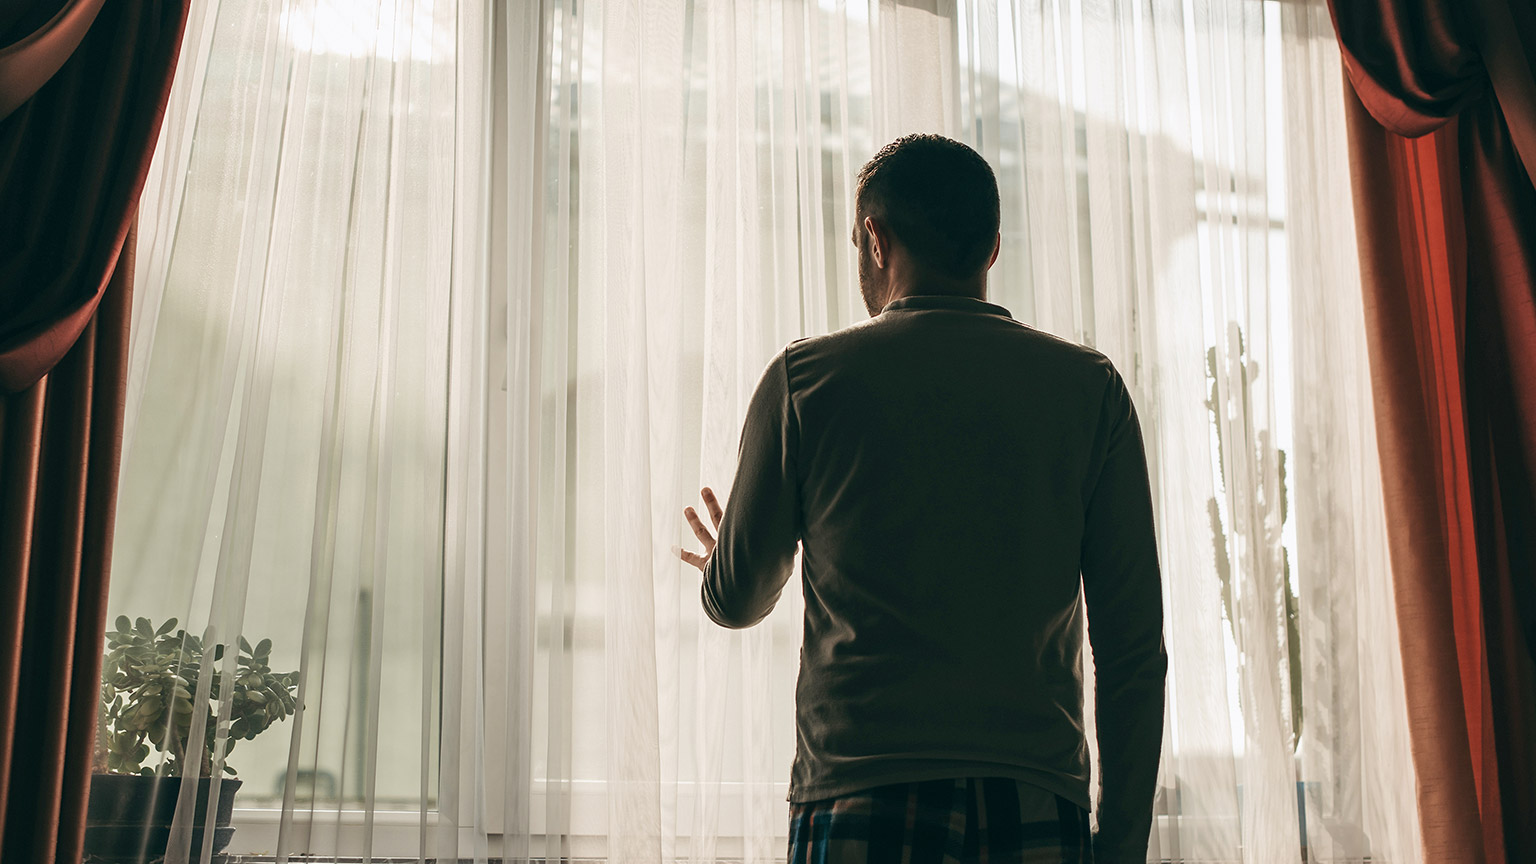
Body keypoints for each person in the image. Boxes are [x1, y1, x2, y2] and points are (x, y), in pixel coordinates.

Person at [673, 134, 1167, 864]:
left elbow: (738, 600)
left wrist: (724, 563)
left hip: (861, 796)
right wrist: (1120, 846)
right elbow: (1131, 650)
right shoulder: (1089, 391)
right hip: (1035, 796)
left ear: (875, 239)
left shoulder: (807, 382)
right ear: (992, 248)